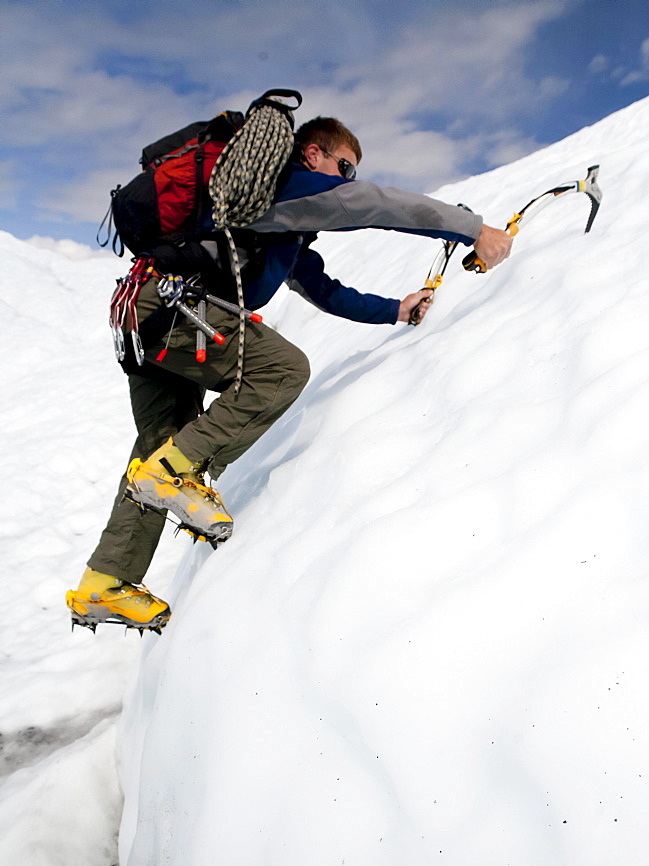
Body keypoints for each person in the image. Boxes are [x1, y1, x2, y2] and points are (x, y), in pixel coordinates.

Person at [66, 116, 512, 633]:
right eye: (342, 165)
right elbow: (373, 203)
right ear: (312, 154)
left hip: (142, 316)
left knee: (160, 441)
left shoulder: (275, 225)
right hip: (174, 309)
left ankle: (107, 581)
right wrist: (473, 228)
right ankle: (176, 472)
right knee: (281, 371)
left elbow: (325, 290)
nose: (344, 180)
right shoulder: (286, 186)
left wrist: (395, 309)